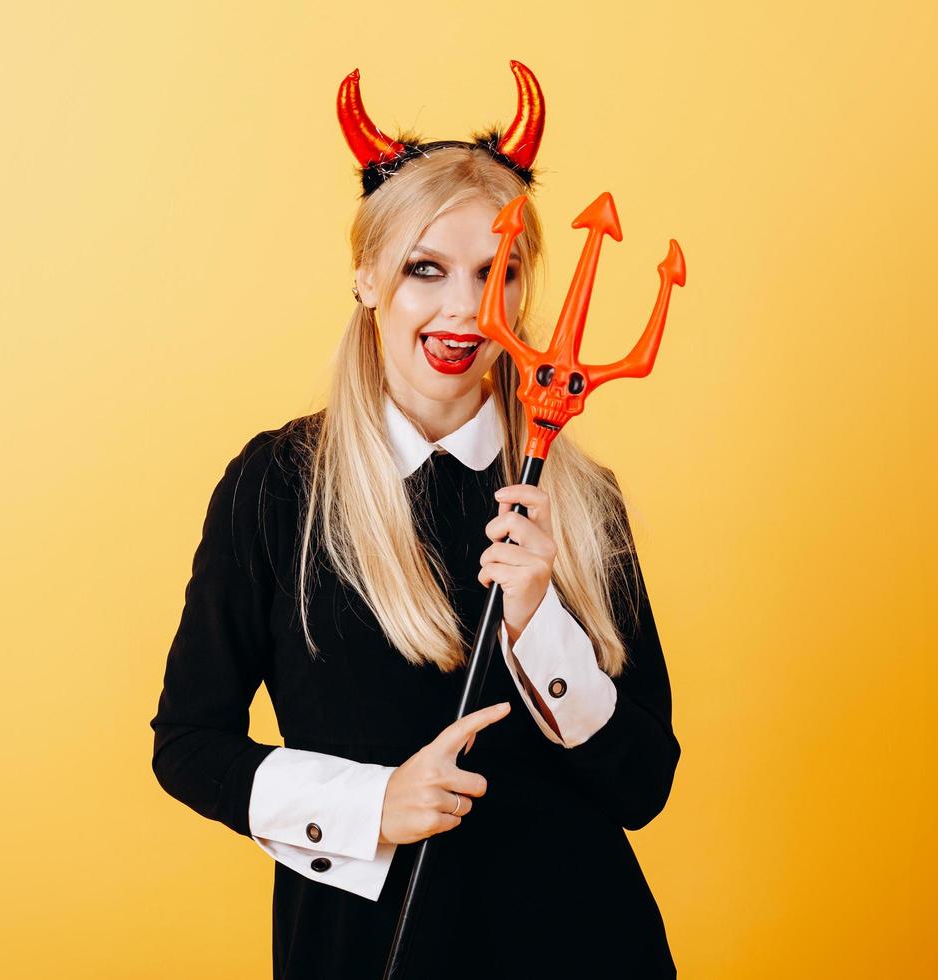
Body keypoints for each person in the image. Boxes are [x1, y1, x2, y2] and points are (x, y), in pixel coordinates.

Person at [151, 62, 680, 978]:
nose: (464, 310)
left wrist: (536, 624)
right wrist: (370, 805)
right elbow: (187, 745)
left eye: (497, 273)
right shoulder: (278, 485)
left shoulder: (581, 503)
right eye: (424, 269)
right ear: (366, 278)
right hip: (364, 952)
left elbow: (643, 786)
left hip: (585, 946)